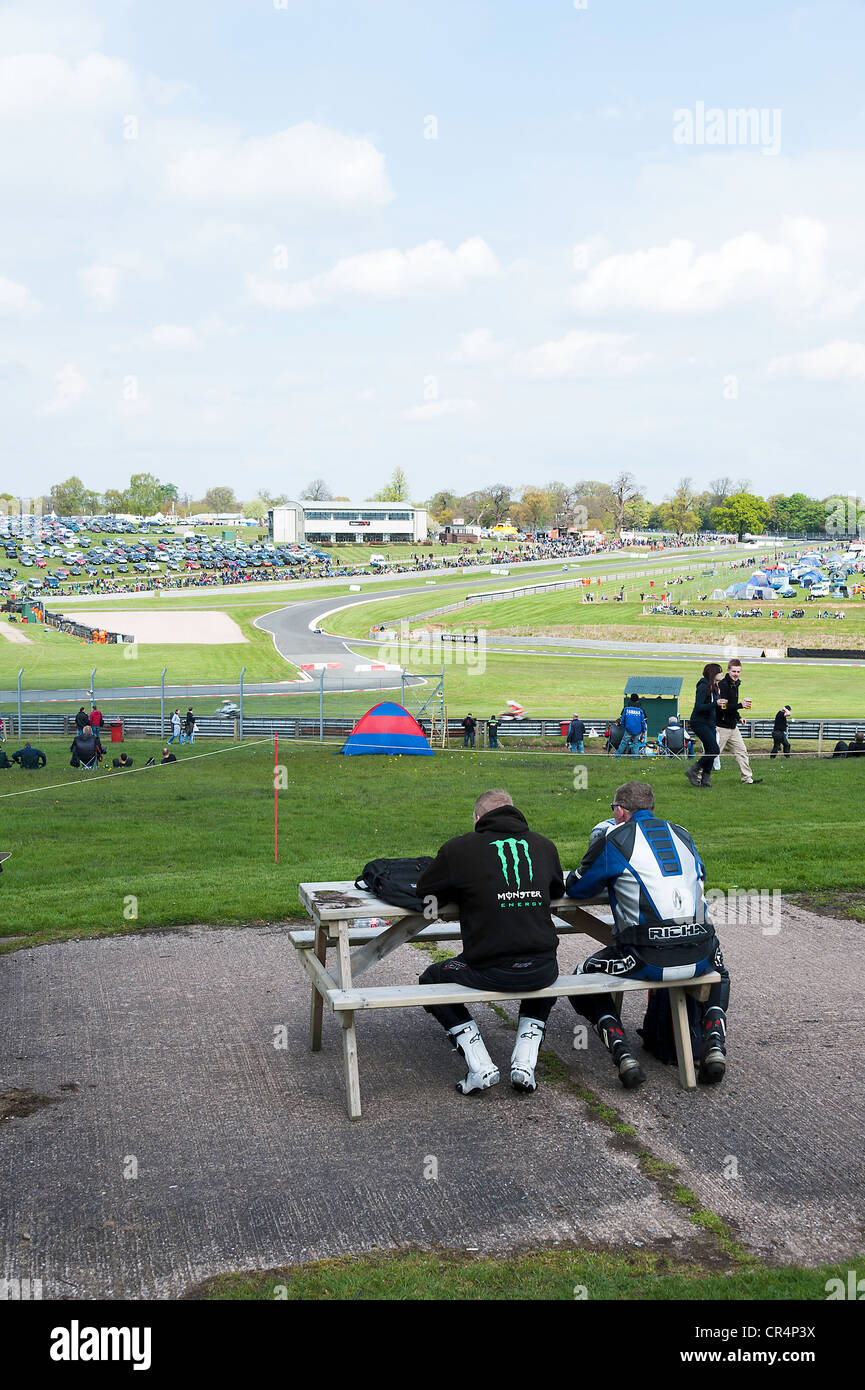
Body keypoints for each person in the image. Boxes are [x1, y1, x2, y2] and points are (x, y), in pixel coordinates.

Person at [565, 781, 729, 1087]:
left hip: (646, 956)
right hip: (701, 949)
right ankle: (715, 1041)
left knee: (579, 978)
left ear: (621, 811)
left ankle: (620, 1048)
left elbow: (577, 887)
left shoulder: (615, 838)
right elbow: (700, 875)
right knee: (720, 971)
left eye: (613, 810)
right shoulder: (682, 833)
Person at [416, 789, 565, 1094]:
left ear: (478, 818)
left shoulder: (459, 849)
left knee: (432, 978)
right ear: (514, 811)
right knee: (540, 971)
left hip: (489, 967)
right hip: (543, 967)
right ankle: (525, 1060)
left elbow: (426, 891)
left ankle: (479, 1063)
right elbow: (558, 890)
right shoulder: (544, 846)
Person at [715, 660, 762, 785]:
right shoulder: (723, 685)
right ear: (728, 671)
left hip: (732, 726)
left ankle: (747, 779)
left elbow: (732, 707)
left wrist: (739, 717)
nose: (736, 674)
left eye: (738, 671)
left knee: (742, 752)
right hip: (722, 726)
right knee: (713, 753)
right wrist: (740, 705)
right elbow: (722, 707)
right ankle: (697, 775)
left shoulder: (735, 684)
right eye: (733, 671)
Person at [685, 662, 722, 788]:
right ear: (713, 673)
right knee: (714, 749)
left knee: (711, 750)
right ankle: (693, 770)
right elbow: (699, 707)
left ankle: (705, 779)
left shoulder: (715, 687)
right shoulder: (703, 686)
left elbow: (713, 706)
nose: (721, 674)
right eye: (719, 672)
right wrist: (715, 704)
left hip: (710, 723)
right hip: (699, 722)